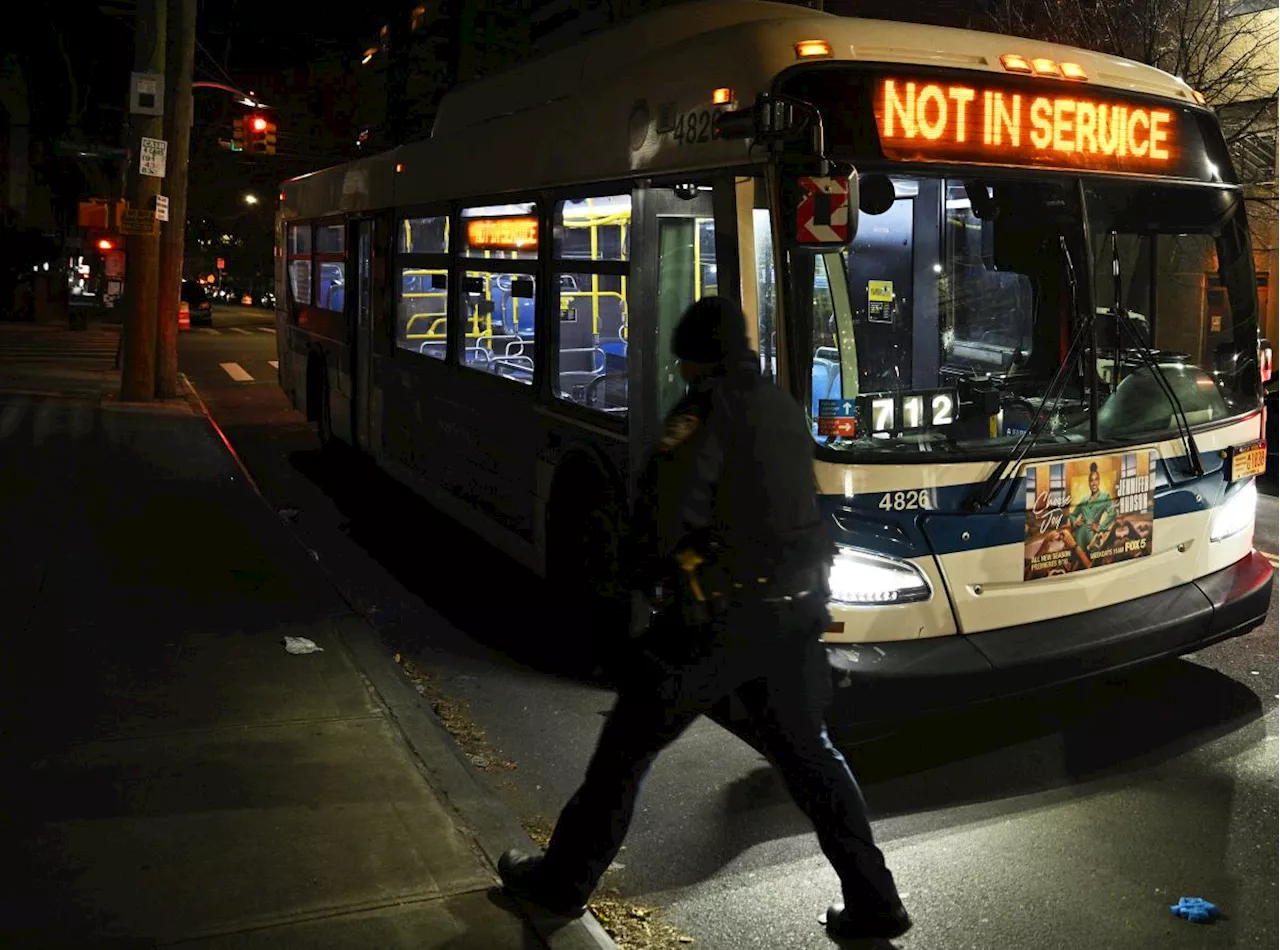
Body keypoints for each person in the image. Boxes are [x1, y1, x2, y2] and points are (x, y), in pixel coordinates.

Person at [498, 297, 911, 941]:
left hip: (712, 625)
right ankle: (875, 899)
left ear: (693, 357)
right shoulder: (779, 403)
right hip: (793, 615)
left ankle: (560, 883)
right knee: (814, 760)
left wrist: (636, 590)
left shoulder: (702, 412)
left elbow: (663, 514)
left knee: (622, 756)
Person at [1070, 462, 1116, 553]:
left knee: (1093, 558)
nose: (1094, 483)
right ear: (1089, 483)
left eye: (1096, 480)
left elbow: (1113, 512)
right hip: (1079, 536)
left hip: (1091, 536)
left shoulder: (1104, 497)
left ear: (1099, 481)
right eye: (1091, 480)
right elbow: (1073, 515)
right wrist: (1075, 522)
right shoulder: (1084, 499)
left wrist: (1101, 527)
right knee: (1078, 560)